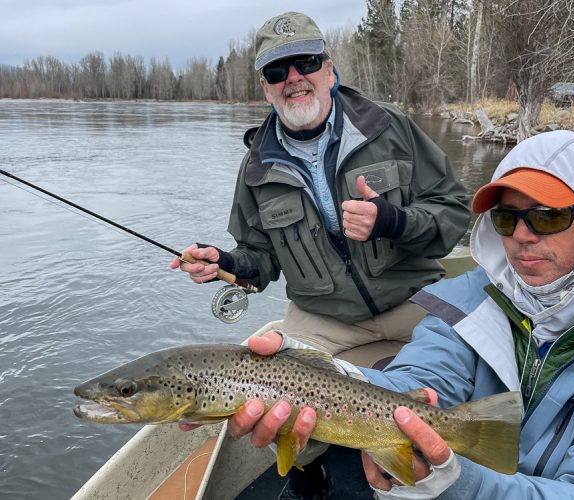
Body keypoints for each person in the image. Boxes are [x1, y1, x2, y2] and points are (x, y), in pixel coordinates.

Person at [222, 130, 574, 499]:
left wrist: (456, 483)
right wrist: (312, 374)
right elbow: (414, 386)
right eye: (507, 219)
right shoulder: (464, 299)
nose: (523, 237)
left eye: (547, 217)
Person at [171, 11, 470, 357]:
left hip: (414, 299)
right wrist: (226, 263)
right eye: (277, 71)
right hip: (322, 322)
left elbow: (454, 210)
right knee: (281, 406)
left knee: (473, 366)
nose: (294, 78)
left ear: (329, 71)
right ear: (266, 89)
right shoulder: (255, 169)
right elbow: (262, 258)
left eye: (306, 62)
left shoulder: (389, 127)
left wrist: (395, 221)